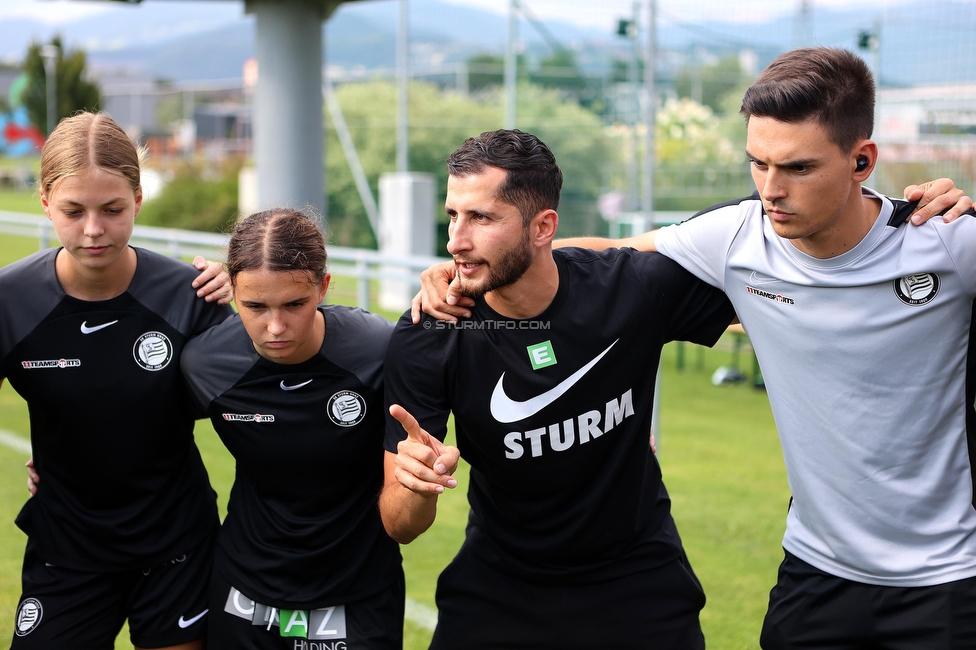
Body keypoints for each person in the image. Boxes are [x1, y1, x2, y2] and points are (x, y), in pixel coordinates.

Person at [422, 47, 976, 649]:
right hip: (814, 574)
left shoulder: (947, 243)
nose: (771, 189)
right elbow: (605, 254)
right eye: (758, 164)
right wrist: (464, 270)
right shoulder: (737, 237)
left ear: (862, 160)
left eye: (798, 168)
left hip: (946, 579)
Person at [380, 128, 738, 649]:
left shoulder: (631, 288)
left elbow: (768, 221)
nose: (456, 240)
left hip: (636, 580)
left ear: (543, 226)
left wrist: (895, 214)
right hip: (499, 588)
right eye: (453, 214)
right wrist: (416, 482)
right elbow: (400, 526)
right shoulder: (429, 333)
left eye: (481, 218)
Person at [1, 111, 233, 649]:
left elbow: (273, 404)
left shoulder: (194, 295)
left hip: (177, 546)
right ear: (43, 202)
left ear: (138, 200)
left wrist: (242, 301)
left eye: (112, 209)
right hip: (67, 549)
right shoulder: (11, 302)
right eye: (72, 211)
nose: (93, 230)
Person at [180, 208, 404, 649]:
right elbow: (143, 431)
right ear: (234, 292)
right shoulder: (206, 363)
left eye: (294, 304)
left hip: (357, 598)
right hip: (241, 595)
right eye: (255, 306)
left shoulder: (380, 351)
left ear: (322, 287)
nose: (275, 327)